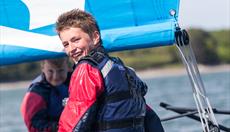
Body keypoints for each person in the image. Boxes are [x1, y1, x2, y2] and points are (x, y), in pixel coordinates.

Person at [56, 9, 164, 132]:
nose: (71, 49)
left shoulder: (86, 68)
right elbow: (151, 118)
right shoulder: (122, 69)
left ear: (95, 37)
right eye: (66, 44)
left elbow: (74, 123)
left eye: (76, 40)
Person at [20, 57, 71, 132]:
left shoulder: (76, 80)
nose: (55, 77)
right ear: (43, 68)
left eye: (61, 71)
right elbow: (34, 126)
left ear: (68, 67)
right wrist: (59, 127)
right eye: (50, 71)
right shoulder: (36, 93)